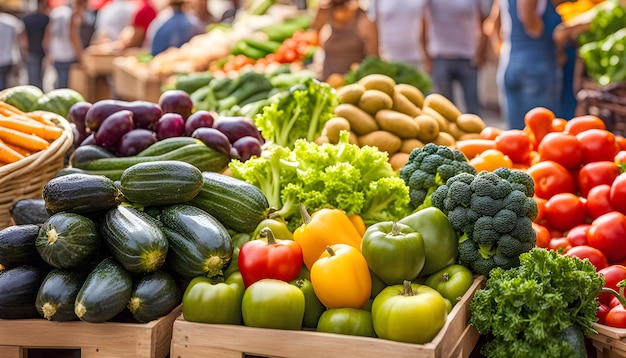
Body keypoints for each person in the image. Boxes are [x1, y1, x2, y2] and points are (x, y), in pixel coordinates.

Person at [484, 0, 566, 130]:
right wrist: (547, 34)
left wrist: (501, 52)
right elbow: (527, 17)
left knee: (515, 135)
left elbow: (493, 26)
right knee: (541, 131)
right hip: (535, 67)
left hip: (509, 63)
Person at [422, 0, 488, 116]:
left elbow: (484, 22)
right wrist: (427, 57)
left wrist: (480, 52)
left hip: (468, 57)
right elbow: (423, 20)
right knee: (445, 112)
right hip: (440, 57)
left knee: (474, 110)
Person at [312, 0, 379, 81]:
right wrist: (321, 11)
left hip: (353, 87)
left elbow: (374, 61)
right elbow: (314, 31)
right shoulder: (327, 14)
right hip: (328, 83)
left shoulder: (364, 22)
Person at [368, 0, 426, 72]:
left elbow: (426, 20)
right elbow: (371, 24)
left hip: (417, 58)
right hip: (387, 59)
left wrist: (427, 57)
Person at [45, 0, 88, 89]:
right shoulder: (71, 15)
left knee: (59, 82)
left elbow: (47, 35)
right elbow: (73, 37)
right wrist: (81, 57)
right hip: (68, 55)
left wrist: (49, 52)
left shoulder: (56, 12)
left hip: (56, 54)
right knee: (65, 87)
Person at [22, 0, 50, 90]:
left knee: (33, 79)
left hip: (31, 51)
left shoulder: (26, 19)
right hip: (42, 51)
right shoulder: (45, 18)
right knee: (41, 78)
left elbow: (24, 38)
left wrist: (25, 51)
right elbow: (47, 38)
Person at [0, 8, 27, 91]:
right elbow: (22, 40)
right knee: (8, 86)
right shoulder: (11, 21)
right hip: (9, 58)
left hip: (8, 58)